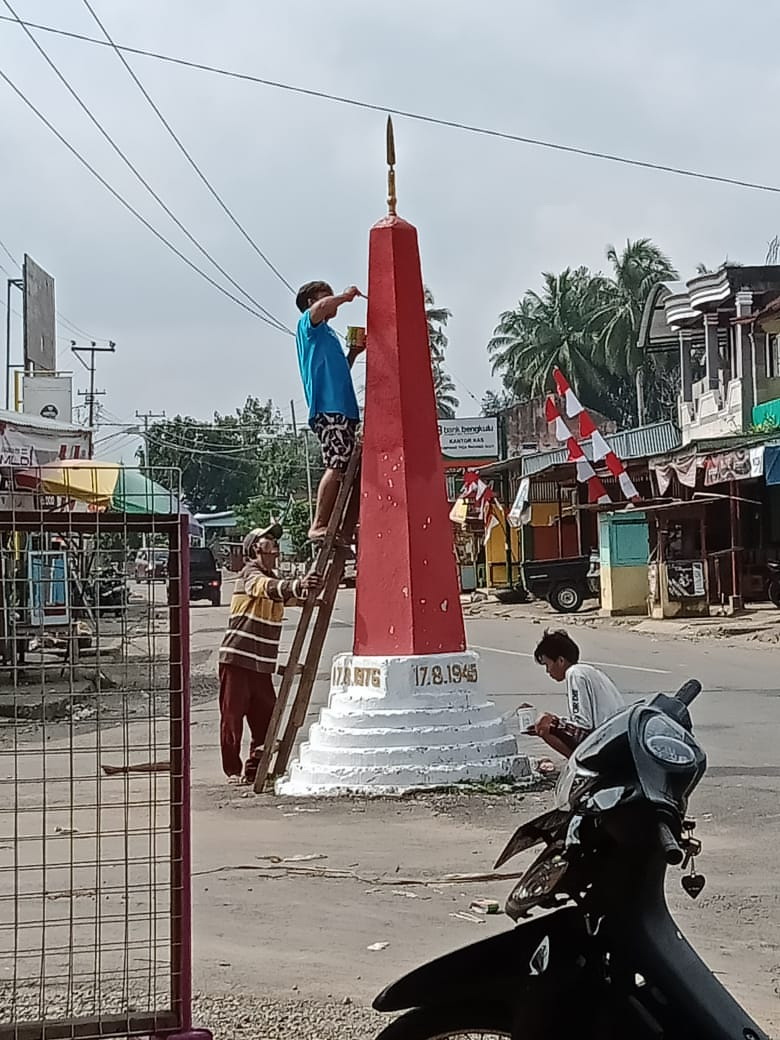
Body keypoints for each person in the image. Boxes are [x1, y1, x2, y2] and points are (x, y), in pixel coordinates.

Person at [217, 523, 321, 785]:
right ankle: (232, 770)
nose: (274, 544)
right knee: (232, 718)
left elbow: (290, 595)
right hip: (237, 658)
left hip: (261, 665)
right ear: (255, 548)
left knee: (266, 718)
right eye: (268, 540)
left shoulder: (272, 578)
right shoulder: (250, 573)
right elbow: (266, 587)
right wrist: (297, 585)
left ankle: (253, 769)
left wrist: (306, 586)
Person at [295, 280, 365, 541]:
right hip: (328, 408)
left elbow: (339, 373)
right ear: (311, 302)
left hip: (342, 409)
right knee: (336, 464)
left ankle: (340, 523)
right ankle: (319, 525)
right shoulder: (309, 325)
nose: (331, 299)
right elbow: (322, 307)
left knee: (347, 467)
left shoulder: (329, 336)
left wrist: (353, 354)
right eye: (326, 296)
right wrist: (346, 297)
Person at [531, 629, 625, 759]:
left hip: (604, 741)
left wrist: (551, 724)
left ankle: (579, 767)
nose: (548, 671)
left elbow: (583, 723)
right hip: (616, 736)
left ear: (561, 661)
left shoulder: (574, 674)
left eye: (548, 665)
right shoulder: (589, 672)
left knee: (543, 722)